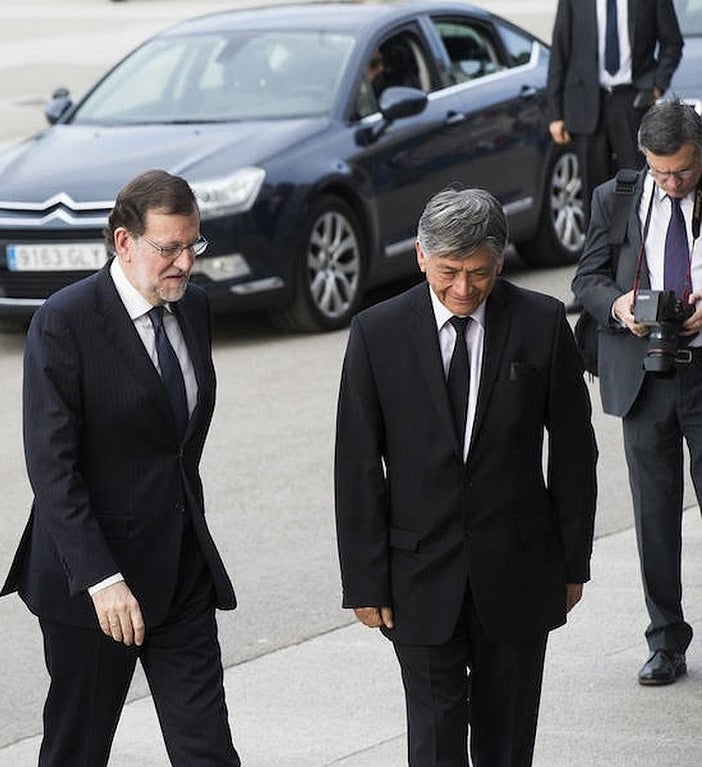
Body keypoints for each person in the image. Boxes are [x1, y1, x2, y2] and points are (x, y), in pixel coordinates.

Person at [335, 188, 597, 766]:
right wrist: (364, 579)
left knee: (507, 742)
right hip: (418, 577)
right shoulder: (377, 333)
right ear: (421, 258)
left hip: (519, 570)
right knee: (434, 742)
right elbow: (356, 465)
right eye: (449, 271)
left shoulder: (542, 321)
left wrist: (572, 560)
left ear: (499, 263)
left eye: (478, 273)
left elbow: (575, 454)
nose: (462, 289)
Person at [0, 169, 240, 766]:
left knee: (208, 752)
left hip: (180, 571)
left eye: (193, 245)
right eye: (169, 248)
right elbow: (52, 468)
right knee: (77, 751)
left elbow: (175, 444)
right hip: (93, 586)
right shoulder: (65, 322)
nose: (185, 263)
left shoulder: (194, 309)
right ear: (124, 242)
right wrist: (101, 579)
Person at [571, 99, 702, 686]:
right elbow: (588, 279)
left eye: (684, 171)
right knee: (654, 517)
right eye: (661, 171)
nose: (672, 183)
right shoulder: (615, 197)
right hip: (644, 374)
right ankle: (665, 640)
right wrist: (619, 306)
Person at [546, 0, 682, 211]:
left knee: (641, 187)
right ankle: (598, 244)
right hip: (586, 104)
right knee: (594, 193)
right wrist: (555, 113)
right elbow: (560, 50)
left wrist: (657, 86)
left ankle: (640, 242)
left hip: (632, 101)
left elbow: (672, 42)